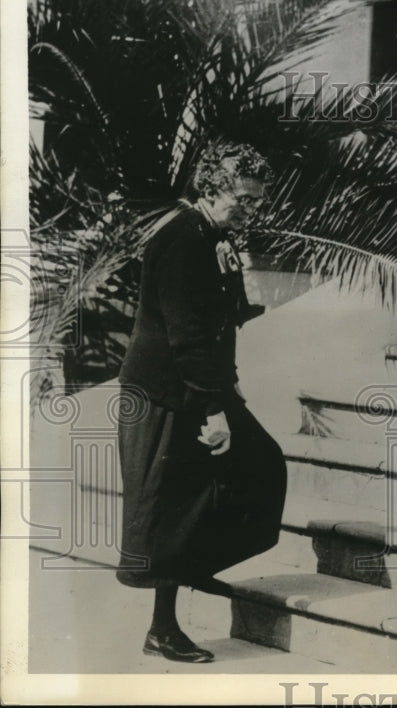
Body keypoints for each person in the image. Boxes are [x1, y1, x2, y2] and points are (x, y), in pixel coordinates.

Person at [116, 139, 287, 662]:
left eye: (257, 201)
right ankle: (163, 629)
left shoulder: (212, 235)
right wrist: (215, 411)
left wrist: (227, 386)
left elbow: (220, 325)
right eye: (243, 198)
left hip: (198, 384)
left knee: (262, 466)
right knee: (173, 505)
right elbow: (185, 334)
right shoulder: (182, 239)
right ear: (211, 188)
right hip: (165, 394)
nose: (251, 210)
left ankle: (191, 570)